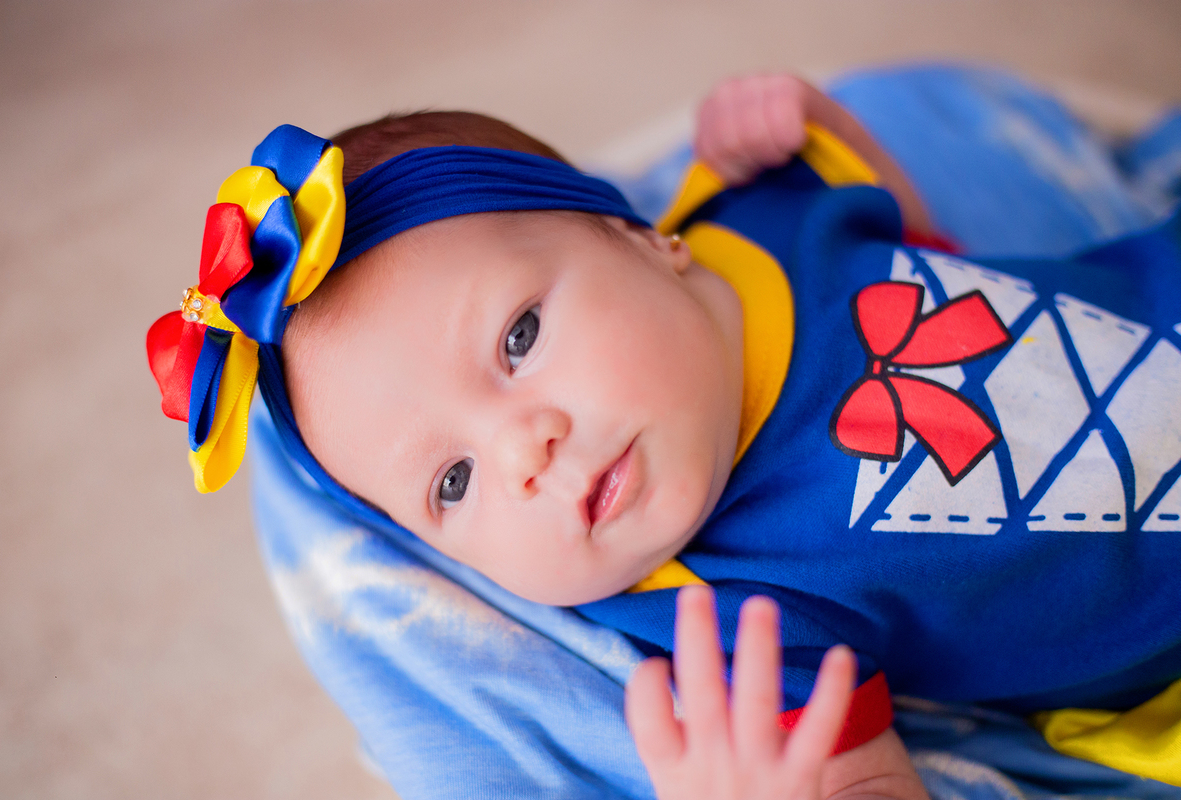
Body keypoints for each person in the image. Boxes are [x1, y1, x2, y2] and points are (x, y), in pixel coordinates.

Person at [147, 74, 1181, 797]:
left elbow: (934, 253)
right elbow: (860, 772)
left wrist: (817, 131)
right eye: (451, 482)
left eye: (518, 337)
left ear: (645, 236)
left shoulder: (755, 208)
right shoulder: (722, 624)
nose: (523, 453)